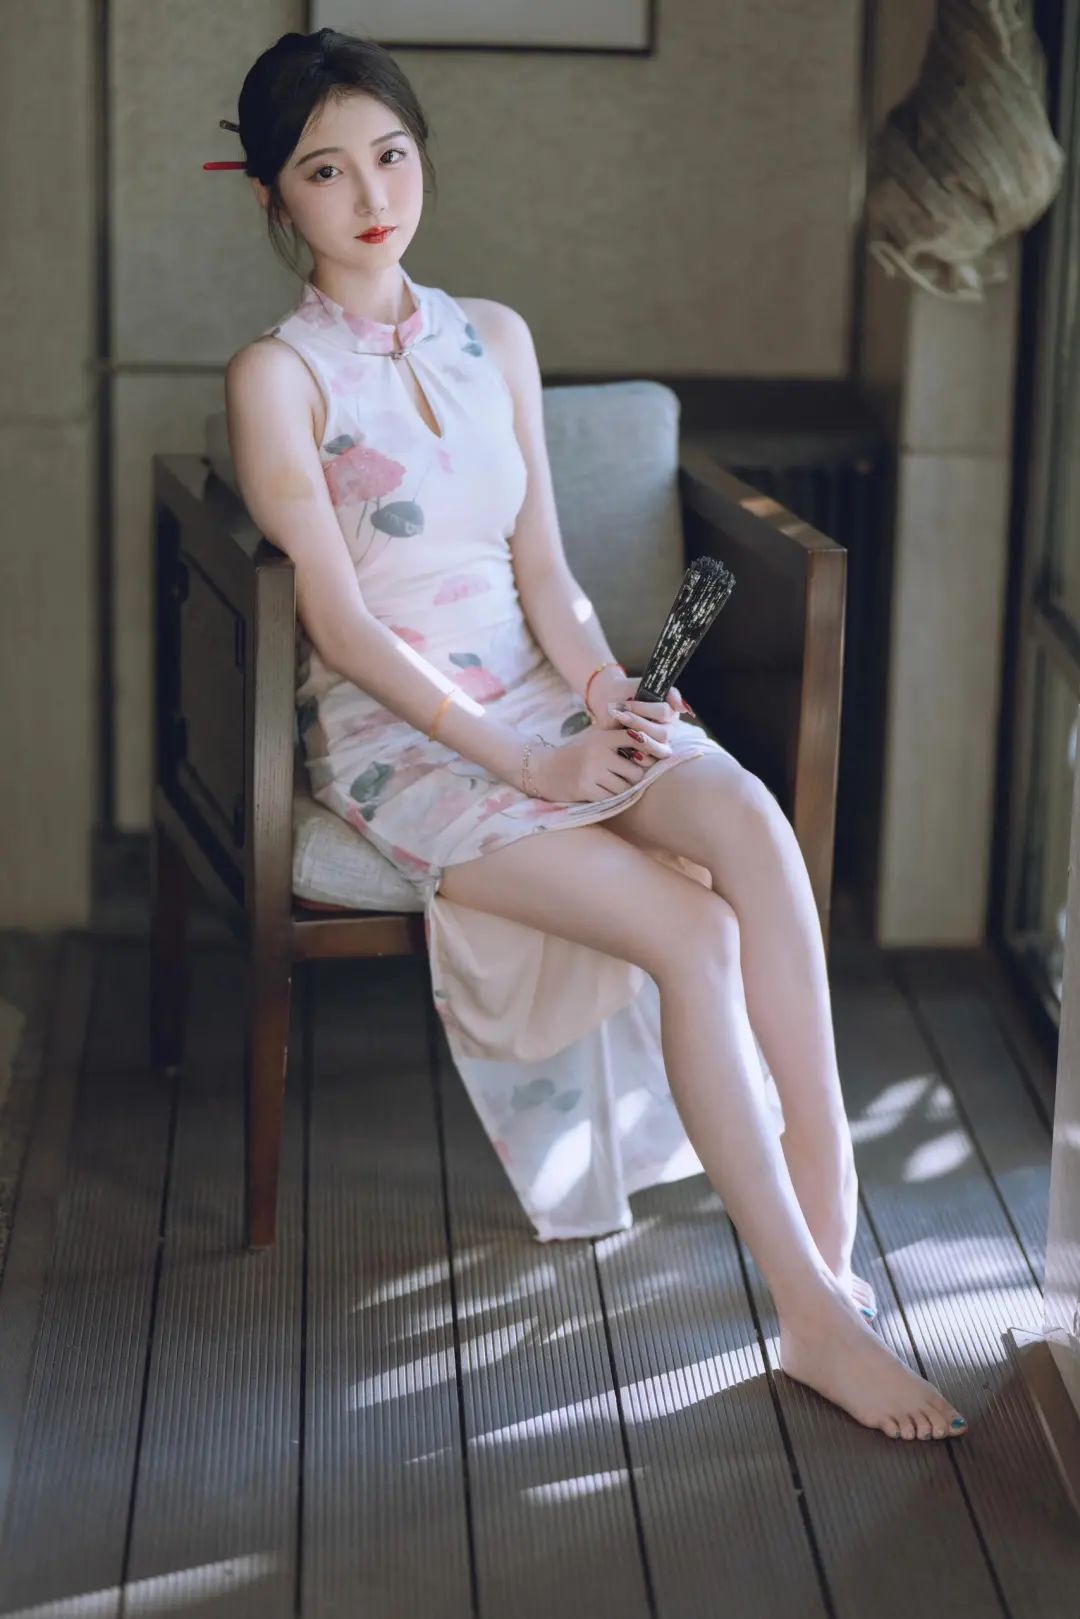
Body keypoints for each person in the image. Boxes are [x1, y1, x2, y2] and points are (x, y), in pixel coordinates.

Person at [221, 27, 969, 1443]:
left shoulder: (492, 334)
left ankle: (829, 1208)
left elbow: (546, 570)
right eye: (325, 170)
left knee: (750, 828)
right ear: (273, 196)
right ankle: (812, 1316)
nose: (371, 193)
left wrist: (607, 689)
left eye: (391, 153)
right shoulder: (280, 377)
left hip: (546, 691)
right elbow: (345, 633)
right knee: (691, 935)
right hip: (406, 738)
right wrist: (530, 763)